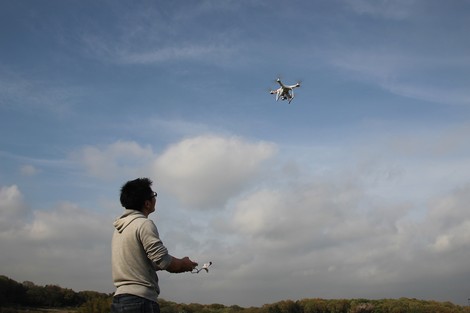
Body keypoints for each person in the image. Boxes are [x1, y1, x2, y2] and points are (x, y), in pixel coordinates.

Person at [111, 177, 198, 313]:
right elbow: (164, 261)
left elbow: (142, 262)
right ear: (147, 203)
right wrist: (184, 264)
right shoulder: (144, 224)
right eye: (154, 195)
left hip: (119, 301)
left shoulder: (119, 228)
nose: (155, 199)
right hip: (140, 302)